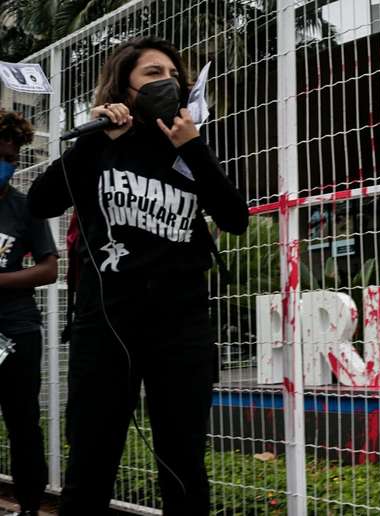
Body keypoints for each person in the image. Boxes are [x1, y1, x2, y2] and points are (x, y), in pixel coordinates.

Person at [27, 37, 248, 515]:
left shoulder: (187, 147)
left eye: (173, 74)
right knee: (92, 456)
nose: (166, 80)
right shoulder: (98, 144)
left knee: (183, 459)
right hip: (105, 322)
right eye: (152, 73)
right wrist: (95, 142)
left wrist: (194, 147)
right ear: (124, 88)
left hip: (181, 324)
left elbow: (235, 217)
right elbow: (40, 203)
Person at [0, 110, 58, 516]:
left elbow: (50, 268)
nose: (7, 164)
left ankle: (30, 507)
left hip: (17, 330)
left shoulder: (26, 207)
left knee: (22, 423)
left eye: (12, 157)